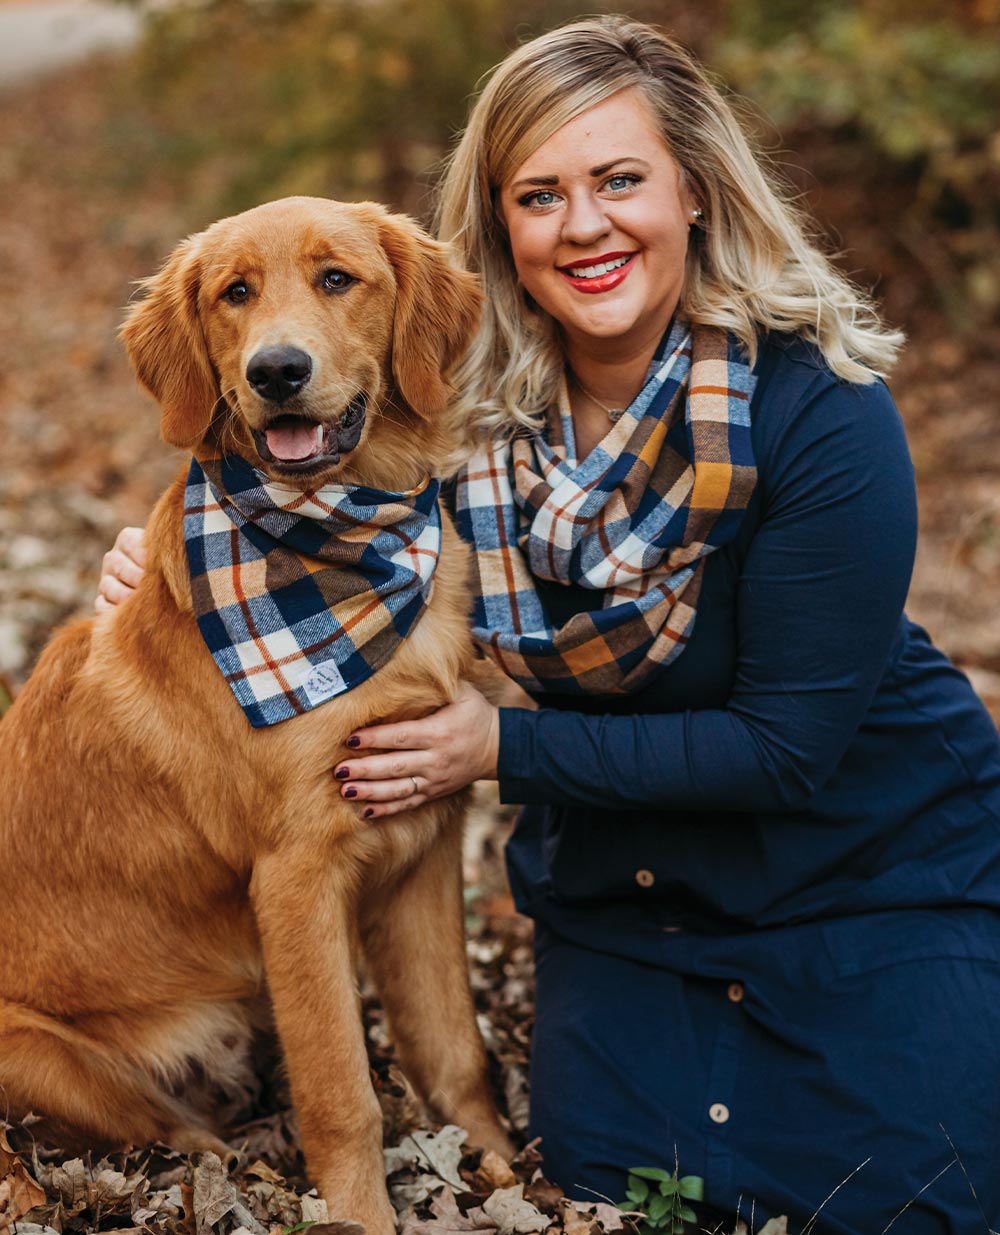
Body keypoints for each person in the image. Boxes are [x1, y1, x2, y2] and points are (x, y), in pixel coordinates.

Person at [98, 16, 1000, 1234]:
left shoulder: (817, 410)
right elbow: (296, 514)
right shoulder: (453, 411)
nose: (583, 225)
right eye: (539, 195)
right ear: (503, 224)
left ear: (694, 191)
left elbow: (787, 749)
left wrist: (497, 745)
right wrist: (157, 577)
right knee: (612, 1166)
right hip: (632, 883)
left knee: (931, 1187)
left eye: (619, 180)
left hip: (863, 856)